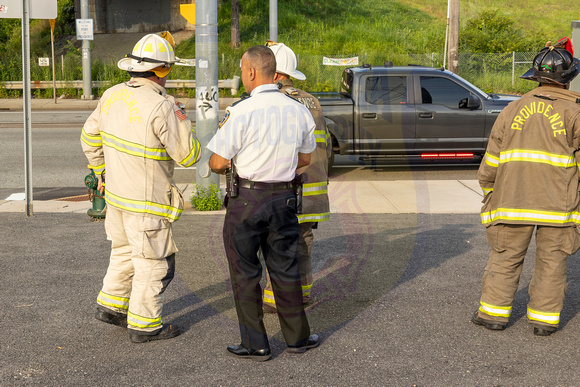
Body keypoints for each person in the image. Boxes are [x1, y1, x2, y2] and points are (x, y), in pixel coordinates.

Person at [81, 32, 201, 343]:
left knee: (123, 252)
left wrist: (99, 172)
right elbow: (188, 155)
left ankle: (111, 306)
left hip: (117, 200)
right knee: (152, 263)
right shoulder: (163, 106)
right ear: (164, 70)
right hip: (146, 203)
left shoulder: (111, 95)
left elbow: (89, 137)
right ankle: (145, 326)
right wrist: (183, 120)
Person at [207, 45, 319, 361]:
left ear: (252, 72)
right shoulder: (299, 110)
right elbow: (306, 158)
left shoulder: (241, 111)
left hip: (247, 200)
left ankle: (256, 344)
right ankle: (298, 338)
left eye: (243, 71)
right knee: (285, 268)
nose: (243, 76)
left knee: (245, 272)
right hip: (284, 199)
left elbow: (217, 163)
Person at [471, 42, 580, 336]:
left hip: (511, 201)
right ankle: (544, 321)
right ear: (569, 78)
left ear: (536, 77)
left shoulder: (511, 109)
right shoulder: (575, 112)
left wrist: (491, 193)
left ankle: (492, 314)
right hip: (559, 207)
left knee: (505, 256)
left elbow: (490, 163)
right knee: (552, 261)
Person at [261, 41, 331, 312]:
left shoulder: (273, 101)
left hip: (285, 188)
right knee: (303, 241)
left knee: (276, 242)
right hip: (313, 188)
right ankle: (301, 294)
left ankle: (273, 298)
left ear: (275, 74)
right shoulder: (311, 101)